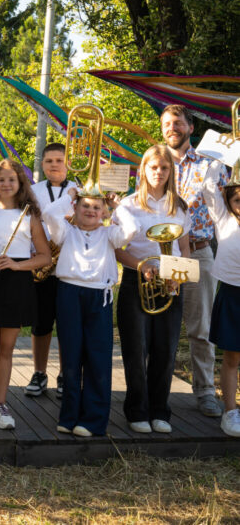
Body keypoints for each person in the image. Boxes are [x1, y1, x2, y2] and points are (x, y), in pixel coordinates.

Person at [42, 187, 138, 436]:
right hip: (69, 294)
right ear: (75, 208)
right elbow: (50, 213)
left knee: (97, 356)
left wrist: (117, 206)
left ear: (104, 212)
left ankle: (93, 420)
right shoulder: (66, 232)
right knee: (71, 355)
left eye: (97, 207)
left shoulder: (109, 234)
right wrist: (70, 196)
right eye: (85, 205)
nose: (91, 211)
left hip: (99, 296)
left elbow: (132, 229)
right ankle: (69, 416)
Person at [114, 145, 191, 434]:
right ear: (144, 169)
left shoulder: (179, 206)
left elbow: (184, 248)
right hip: (137, 280)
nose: (159, 172)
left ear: (171, 171)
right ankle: (137, 410)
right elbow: (116, 248)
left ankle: (160, 411)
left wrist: (178, 276)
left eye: (164, 168)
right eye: (153, 167)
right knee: (136, 348)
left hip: (170, 282)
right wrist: (140, 265)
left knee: (165, 349)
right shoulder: (128, 205)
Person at [0, 158, 50, 430]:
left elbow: (44, 257)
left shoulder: (29, 216)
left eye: (11, 180)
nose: (6, 184)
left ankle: (1, 404)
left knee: (6, 350)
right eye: (1, 180)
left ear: (20, 183)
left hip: (17, 282)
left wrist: (17, 265)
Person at [162, 104, 229, 417]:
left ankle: (205, 392)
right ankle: (155, 390)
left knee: (201, 329)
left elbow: (228, 207)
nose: (171, 128)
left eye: (177, 123)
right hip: (161, 252)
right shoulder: (154, 161)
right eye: (166, 124)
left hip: (199, 251)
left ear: (190, 127)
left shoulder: (210, 164)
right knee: (158, 325)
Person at [26, 142, 79, 398]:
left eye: (59, 160)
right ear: (42, 164)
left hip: (71, 265)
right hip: (43, 264)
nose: (54, 165)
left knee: (68, 324)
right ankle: (39, 372)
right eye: (49, 161)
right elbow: (26, 222)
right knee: (41, 323)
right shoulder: (33, 191)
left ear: (68, 163)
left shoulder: (80, 189)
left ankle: (65, 373)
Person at [204, 158, 240, 437]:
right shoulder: (223, 218)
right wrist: (222, 156)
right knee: (231, 357)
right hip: (232, 293)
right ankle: (230, 411)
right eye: (237, 199)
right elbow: (208, 186)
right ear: (228, 201)